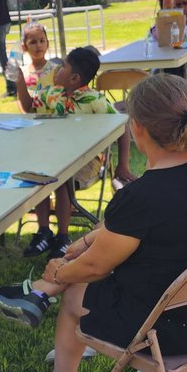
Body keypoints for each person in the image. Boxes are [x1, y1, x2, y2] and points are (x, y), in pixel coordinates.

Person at [0, 73, 187, 372]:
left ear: (136, 128)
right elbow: (125, 227)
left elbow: (95, 267)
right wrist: (80, 244)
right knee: (88, 266)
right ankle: (37, 292)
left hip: (167, 333)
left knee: (77, 287)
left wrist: (61, 270)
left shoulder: (141, 197)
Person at [11, 45, 116, 260]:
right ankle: (43, 232)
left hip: (88, 162)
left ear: (74, 78)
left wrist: (122, 165)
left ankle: (63, 236)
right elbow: (30, 107)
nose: (58, 68)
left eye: (64, 66)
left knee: (59, 177)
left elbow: (122, 126)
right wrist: (20, 80)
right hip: (55, 157)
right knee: (40, 173)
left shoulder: (95, 101)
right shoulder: (53, 94)